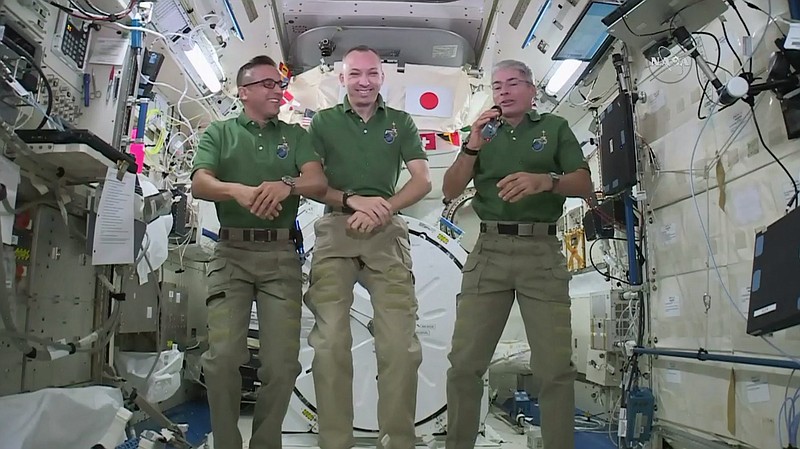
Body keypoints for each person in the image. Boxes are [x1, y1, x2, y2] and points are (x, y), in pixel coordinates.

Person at [442, 59, 593, 449]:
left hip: (539, 251)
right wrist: (472, 144)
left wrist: (546, 180)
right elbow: (450, 187)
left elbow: (583, 183)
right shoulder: (481, 136)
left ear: (531, 91)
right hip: (489, 250)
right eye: (497, 86)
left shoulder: (554, 129)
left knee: (555, 368)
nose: (504, 92)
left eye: (512, 84)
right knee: (464, 365)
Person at [191, 55, 327, 449]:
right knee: (222, 360)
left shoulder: (297, 137)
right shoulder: (220, 133)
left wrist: (286, 185)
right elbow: (201, 183)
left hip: (280, 257)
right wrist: (239, 191)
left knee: (282, 364)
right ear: (244, 91)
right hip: (231, 252)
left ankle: (266, 443)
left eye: (279, 85)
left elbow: (316, 180)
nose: (277, 90)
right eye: (267, 84)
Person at [304, 45, 432, 449]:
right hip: (335, 231)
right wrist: (350, 201)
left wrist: (384, 208)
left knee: (400, 347)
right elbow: (311, 181)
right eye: (355, 74)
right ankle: (335, 443)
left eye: (372, 74)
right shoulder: (322, 123)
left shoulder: (401, 123)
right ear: (342, 79)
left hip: (385, 233)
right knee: (329, 345)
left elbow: (422, 180)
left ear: (382, 77)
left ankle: (397, 442)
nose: (364, 81)